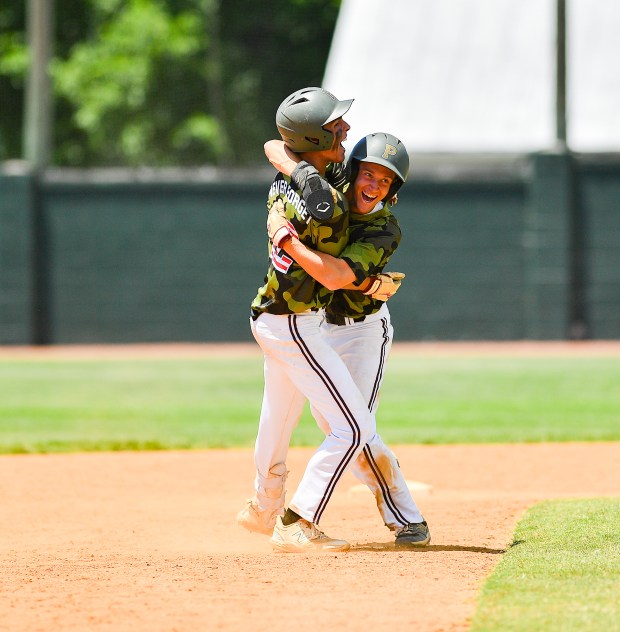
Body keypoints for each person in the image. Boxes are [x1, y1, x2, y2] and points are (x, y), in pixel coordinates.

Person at [238, 87, 401, 553]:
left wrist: (300, 169)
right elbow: (332, 274)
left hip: (273, 311)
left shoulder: (300, 168)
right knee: (353, 427)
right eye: (335, 126)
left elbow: (276, 146)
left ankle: (264, 505)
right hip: (294, 321)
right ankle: (296, 521)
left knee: (278, 418)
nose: (345, 129)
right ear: (314, 137)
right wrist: (365, 283)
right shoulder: (325, 201)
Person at [259, 132, 431, 548]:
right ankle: (276, 510)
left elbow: (334, 276)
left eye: (384, 181)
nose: (372, 185)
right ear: (352, 171)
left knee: (354, 425)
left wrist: (285, 238)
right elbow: (273, 146)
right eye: (368, 174)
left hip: (363, 330)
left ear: (393, 192)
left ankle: (402, 517)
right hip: (316, 324)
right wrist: (304, 174)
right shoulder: (329, 183)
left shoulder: (385, 228)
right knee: (341, 424)